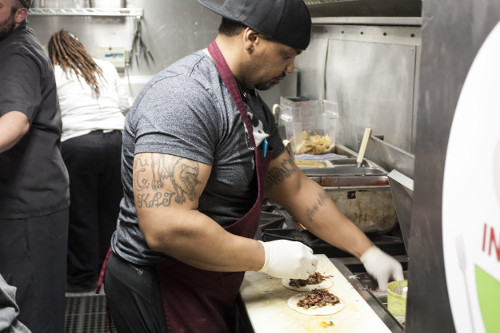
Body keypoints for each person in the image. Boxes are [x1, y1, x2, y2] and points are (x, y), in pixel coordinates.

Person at [101, 0, 404, 332]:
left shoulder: (250, 105)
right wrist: (266, 257)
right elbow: (166, 227)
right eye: (287, 55)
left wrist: (368, 252)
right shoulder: (184, 97)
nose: (290, 68)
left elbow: (296, 188)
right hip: (162, 285)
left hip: (210, 275)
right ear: (251, 38)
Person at [0, 0, 70, 332]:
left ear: (20, 14)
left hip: (28, 205)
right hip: (24, 200)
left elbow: (15, 122)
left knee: (32, 309)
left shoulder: (17, 54)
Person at [48, 29, 130, 292]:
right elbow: (125, 104)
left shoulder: (53, 72)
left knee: (81, 217)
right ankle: (110, 277)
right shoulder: (104, 66)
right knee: (112, 213)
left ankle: (84, 282)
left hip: (78, 145)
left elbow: (49, 112)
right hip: (116, 143)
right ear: (81, 47)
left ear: (55, 52)